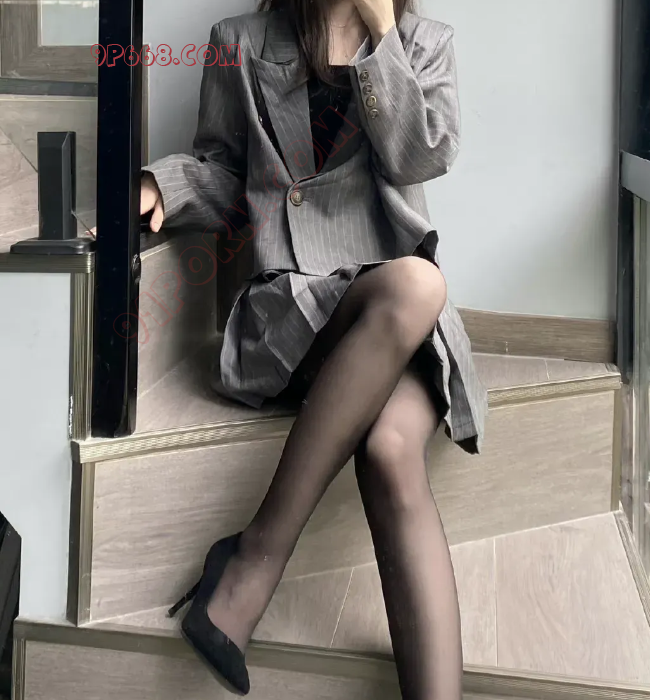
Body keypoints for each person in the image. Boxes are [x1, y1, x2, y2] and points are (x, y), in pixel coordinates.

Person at [140, 0, 488, 698]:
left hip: (397, 311)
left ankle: (251, 557)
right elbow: (228, 175)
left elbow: (420, 155)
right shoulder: (238, 40)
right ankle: (255, 563)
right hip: (297, 307)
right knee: (421, 283)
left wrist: (382, 33)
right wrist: (163, 185)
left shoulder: (423, 43)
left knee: (392, 447)